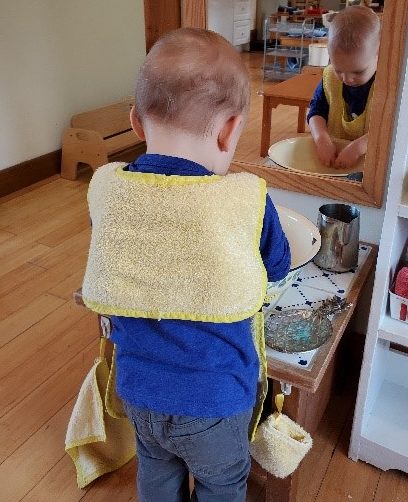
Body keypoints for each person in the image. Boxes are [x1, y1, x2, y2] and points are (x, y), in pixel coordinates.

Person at [81, 28, 291, 502]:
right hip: (216, 404)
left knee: (156, 478)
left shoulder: (110, 192)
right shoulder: (246, 201)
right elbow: (275, 271)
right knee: (222, 484)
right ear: (230, 129)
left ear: (136, 121)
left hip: (139, 393)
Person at [307, 5, 381, 169]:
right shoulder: (330, 79)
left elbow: (390, 129)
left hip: (370, 167)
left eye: (358, 72)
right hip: (335, 163)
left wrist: (358, 148)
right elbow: (315, 111)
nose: (347, 78)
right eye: (338, 69)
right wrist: (321, 139)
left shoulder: (385, 85)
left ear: (379, 54)